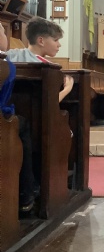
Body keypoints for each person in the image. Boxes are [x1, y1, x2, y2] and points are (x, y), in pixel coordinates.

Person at [0, 17, 73, 211]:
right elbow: (50, 103)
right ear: (41, 40)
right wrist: (67, 89)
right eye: (56, 40)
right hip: (38, 126)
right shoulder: (48, 69)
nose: (59, 44)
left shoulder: (11, 56)